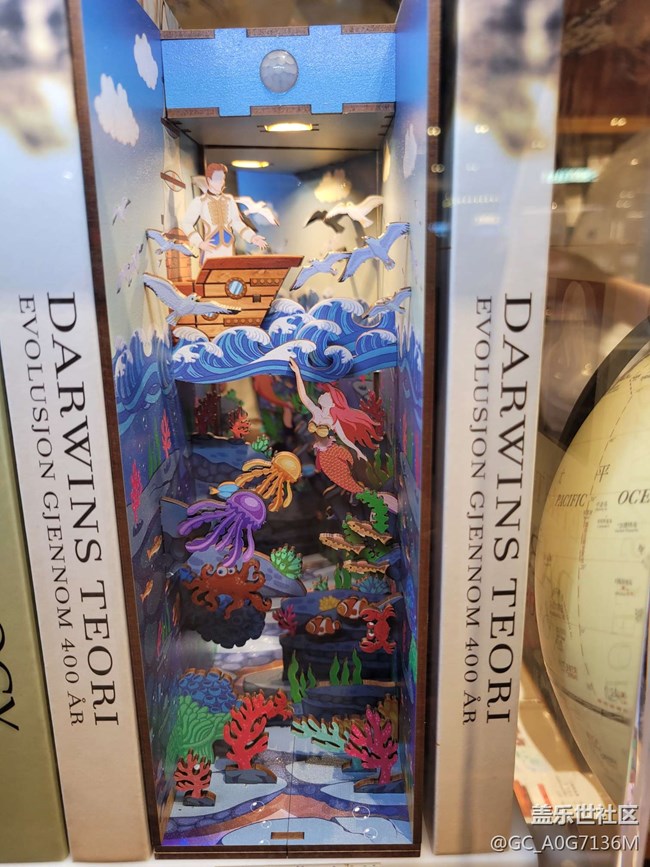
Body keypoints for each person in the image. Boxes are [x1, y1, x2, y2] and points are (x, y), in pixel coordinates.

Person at [289, 358, 381, 460]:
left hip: (326, 451)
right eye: (326, 393)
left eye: (327, 395)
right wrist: (297, 373)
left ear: (332, 404)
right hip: (318, 448)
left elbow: (344, 438)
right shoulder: (317, 411)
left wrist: (357, 451)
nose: (324, 394)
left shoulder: (333, 420)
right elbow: (303, 396)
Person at [181, 162, 267, 260]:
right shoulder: (200, 201)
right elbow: (186, 223)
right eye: (217, 179)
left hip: (228, 247)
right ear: (209, 180)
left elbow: (237, 222)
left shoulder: (229, 199)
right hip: (210, 247)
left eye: (222, 179)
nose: (221, 182)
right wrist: (199, 243)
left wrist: (252, 237)